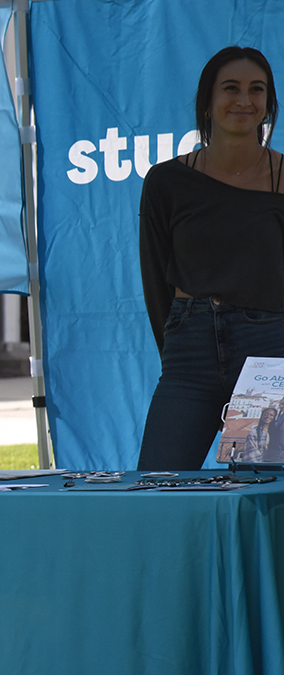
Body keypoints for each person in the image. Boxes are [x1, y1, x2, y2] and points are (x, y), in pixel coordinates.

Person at [138, 46, 284, 470]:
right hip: (191, 356)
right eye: (231, 88)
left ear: (268, 104)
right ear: (207, 101)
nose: (244, 100)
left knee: (261, 497)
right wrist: (177, 349)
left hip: (268, 358)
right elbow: (155, 279)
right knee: (158, 486)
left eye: (256, 90)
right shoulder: (166, 181)